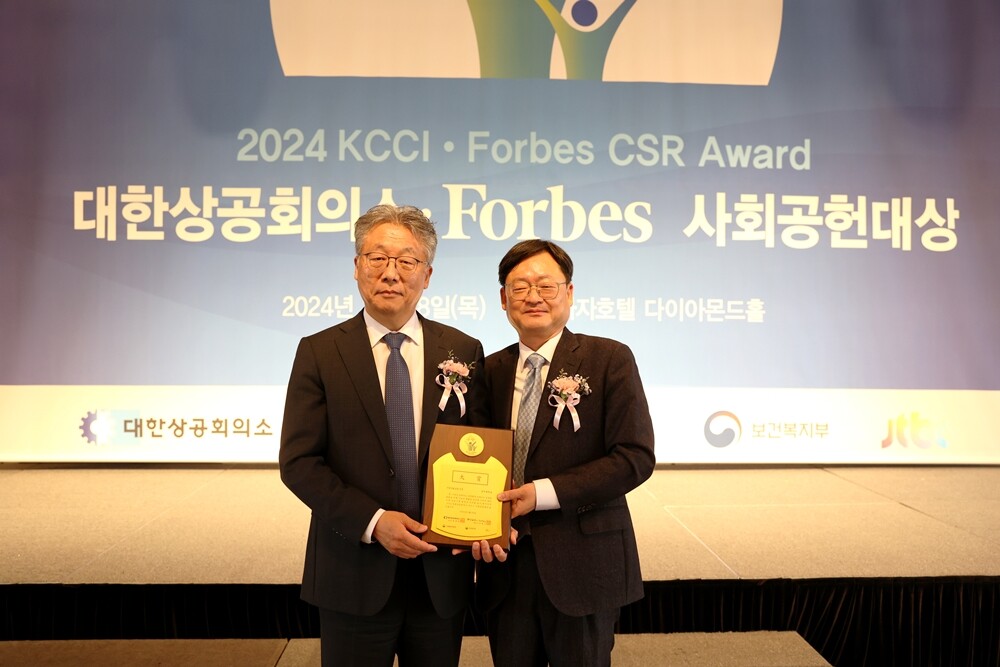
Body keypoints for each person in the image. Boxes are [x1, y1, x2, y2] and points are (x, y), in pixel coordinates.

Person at [279, 204, 488, 667]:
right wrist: (373, 522)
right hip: (353, 572)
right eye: (377, 258)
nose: (391, 273)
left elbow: (480, 452)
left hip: (439, 575)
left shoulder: (463, 350)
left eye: (406, 261)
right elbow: (299, 464)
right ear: (357, 267)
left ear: (427, 275)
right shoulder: (319, 352)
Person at [474, 239, 655, 666]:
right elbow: (476, 458)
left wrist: (542, 493)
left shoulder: (609, 358)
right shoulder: (490, 369)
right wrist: (475, 520)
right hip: (506, 563)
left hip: (583, 562)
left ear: (569, 293)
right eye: (520, 287)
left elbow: (634, 457)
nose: (533, 296)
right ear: (503, 299)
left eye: (546, 285)